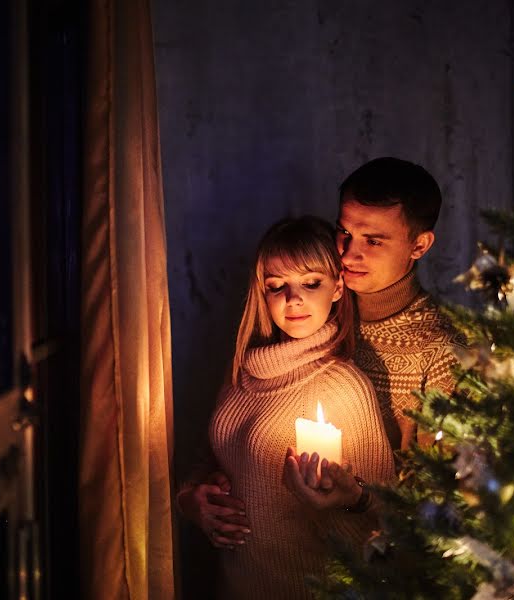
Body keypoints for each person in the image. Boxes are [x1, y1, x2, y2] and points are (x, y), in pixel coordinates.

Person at [177, 216, 394, 600]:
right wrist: (193, 498)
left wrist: (342, 502)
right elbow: (212, 457)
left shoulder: (343, 386)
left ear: (338, 287)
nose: (293, 299)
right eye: (277, 286)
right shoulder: (242, 371)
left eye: (311, 283)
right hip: (236, 585)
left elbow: (382, 516)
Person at [335, 157, 465, 452]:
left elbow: (440, 488)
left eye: (373, 242)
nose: (348, 254)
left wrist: (360, 499)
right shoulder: (315, 312)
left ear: (419, 245)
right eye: (344, 234)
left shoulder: (443, 353)